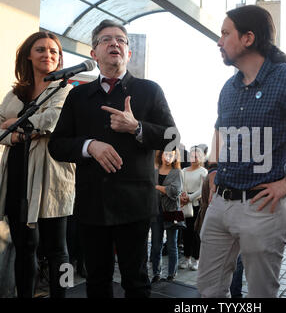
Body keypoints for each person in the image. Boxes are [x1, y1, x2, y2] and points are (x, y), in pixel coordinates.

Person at [197, 5, 286, 298]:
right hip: (220, 204)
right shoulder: (229, 87)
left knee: (261, 293)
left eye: (225, 33)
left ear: (248, 38)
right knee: (208, 290)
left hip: (262, 208)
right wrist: (213, 169)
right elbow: (219, 130)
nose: (219, 41)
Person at [48, 19, 178, 298]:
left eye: (121, 39)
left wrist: (137, 127)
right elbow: (57, 146)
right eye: (106, 39)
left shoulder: (149, 90)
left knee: (136, 282)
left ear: (128, 53)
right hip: (91, 203)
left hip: (135, 205)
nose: (114, 43)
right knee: (96, 281)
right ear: (93, 53)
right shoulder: (77, 95)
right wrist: (89, 146)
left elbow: (172, 137)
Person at [0, 32, 75, 298]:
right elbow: (0, 127)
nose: (48, 55)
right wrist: (20, 132)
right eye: (41, 49)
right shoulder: (14, 94)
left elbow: (51, 121)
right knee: (24, 247)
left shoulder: (65, 90)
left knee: (58, 249)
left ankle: (62, 295)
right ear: (28, 55)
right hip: (17, 176)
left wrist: (13, 124)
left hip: (52, 179)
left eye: (54, 51)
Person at [151, 149, 182, 283]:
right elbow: (148, 188)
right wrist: (164, 189)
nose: (168, 157)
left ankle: (171, 274)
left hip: (172, 211)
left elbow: (175, 191)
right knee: (155, 244)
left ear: (175, 157)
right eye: (166, 154)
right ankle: (156, 273)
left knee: (171, 244)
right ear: (161, 155)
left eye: (171, 154)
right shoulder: (154, 171)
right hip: (155, 211)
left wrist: (157, 187)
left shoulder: (177, 172)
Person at [179, 146, 208, 271]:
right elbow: (180, 185)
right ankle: (186, 258)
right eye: (191, 156)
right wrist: (183, 196)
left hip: (196, 205)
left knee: (196, 233)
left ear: (201, 157)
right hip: (184, 205)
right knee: (186, 232)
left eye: (196, 156)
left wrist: (190, 198)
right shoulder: (184, 170)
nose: (193, 158)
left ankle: (197, 259)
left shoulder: (203, 171)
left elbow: (202, 189)